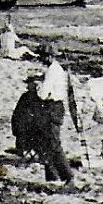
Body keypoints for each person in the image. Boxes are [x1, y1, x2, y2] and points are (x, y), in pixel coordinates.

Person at [33, 44, 82, 184]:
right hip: (56, 107)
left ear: (48, 56)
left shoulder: (52, 71)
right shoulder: (57, 69)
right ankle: (52, 175)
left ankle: (68, 176)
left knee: (53, 143)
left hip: (52, 107)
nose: (41, 60)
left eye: (42, 57)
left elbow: (43, 94)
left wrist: (38, 86)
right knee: (46, 142)